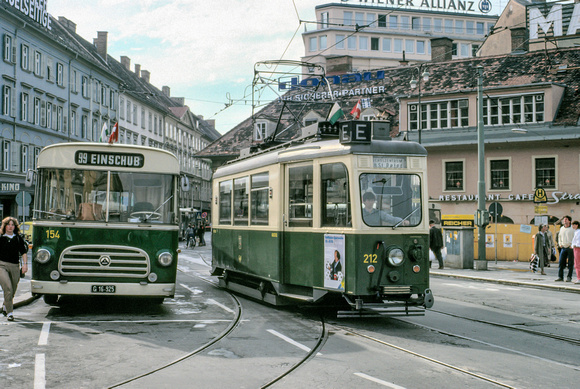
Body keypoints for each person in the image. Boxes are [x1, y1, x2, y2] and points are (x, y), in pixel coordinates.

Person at [0, 216, 29, 322]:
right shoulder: (1, 237)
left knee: (13, 290)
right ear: (5, 226)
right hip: (1, 266)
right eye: (8, 225)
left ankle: (5, 306)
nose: (10, 227)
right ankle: (10, 313)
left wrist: (25, 265)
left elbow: (24, 252)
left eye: (12, 225)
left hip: (15, 266)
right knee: (7, 288)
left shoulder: (18, 238)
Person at [556, 215, 575, 282]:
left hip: (570, 248)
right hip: (563, 247)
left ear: (569, 221)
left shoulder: (572, 229)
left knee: (570, 263)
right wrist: (560, 244)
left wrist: (572, 245)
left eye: (566, 219)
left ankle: (569, 277)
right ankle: (560, 276)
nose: (564, 220)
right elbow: (559, 237)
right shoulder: (562, 228)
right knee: (561, 262)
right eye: (564, 219)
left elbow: (575, 238)